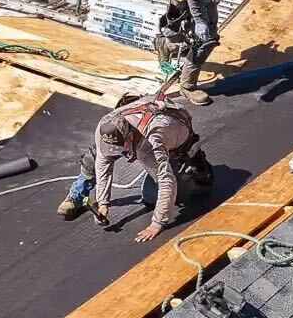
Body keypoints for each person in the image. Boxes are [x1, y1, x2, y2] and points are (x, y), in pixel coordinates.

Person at [57, 93, 213, 241]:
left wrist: (157, 223)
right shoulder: (104, 125)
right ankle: (76, 195)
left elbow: (166, 181)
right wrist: (102, 203)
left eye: (119, 147)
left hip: (176, 134)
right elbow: (103, 164)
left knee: (153, 196)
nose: (115, 152)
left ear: (129, 137)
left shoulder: (151, 142)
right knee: (94, 156)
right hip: (142, 121)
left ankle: (196, 166)